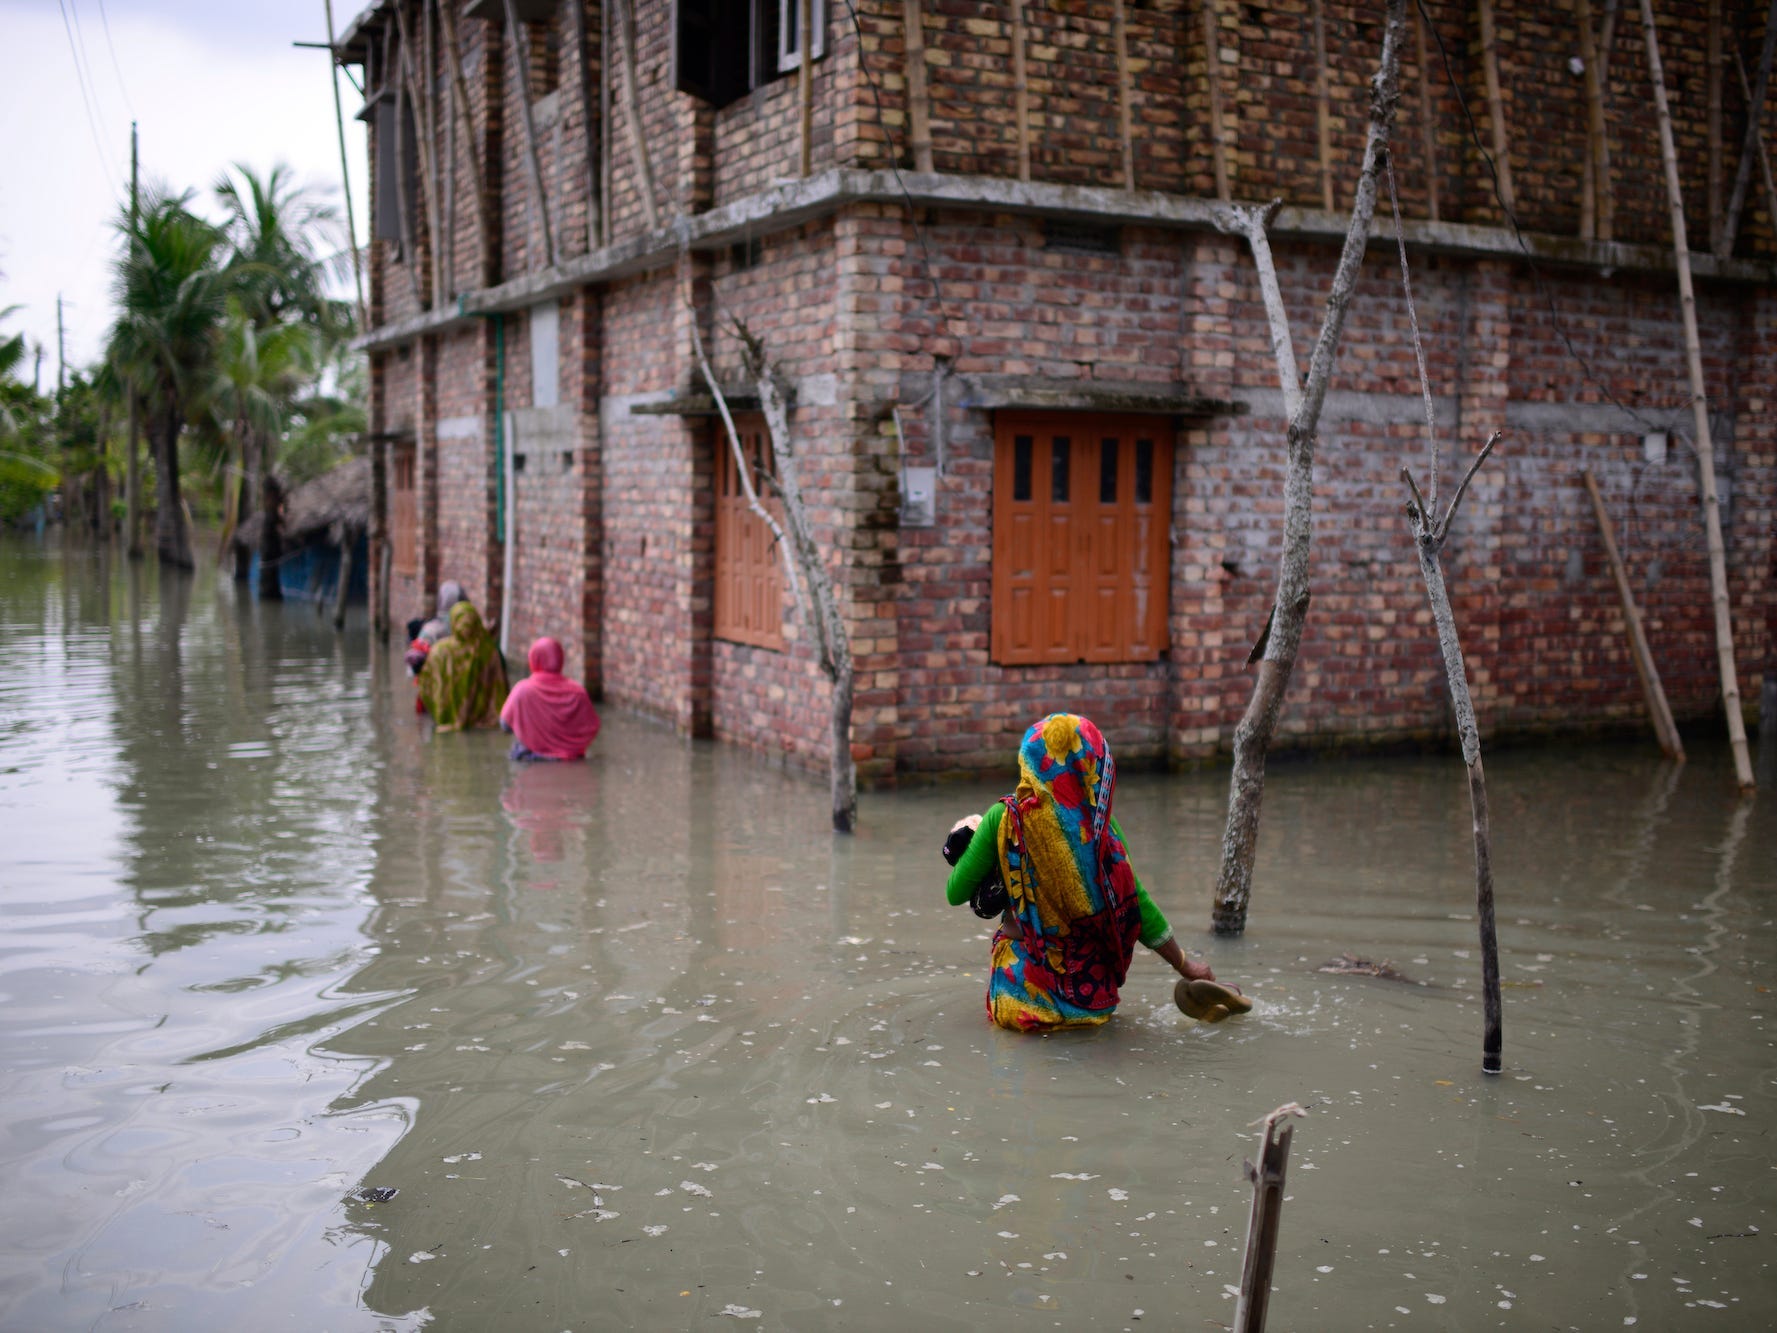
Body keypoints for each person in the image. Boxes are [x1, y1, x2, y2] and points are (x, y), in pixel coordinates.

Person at [943, 712, 1247, 1032]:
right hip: (1087, 1000)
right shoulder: (1102, 827)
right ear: (1091, 764)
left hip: (1021, 996)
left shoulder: (1003, 820)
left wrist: (988, 852)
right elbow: (1135, 903)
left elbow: (955, 892)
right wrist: (1186, 965)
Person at [500, 636, 600, 761]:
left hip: (530, 759)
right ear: (560, 660)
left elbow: (505, 725)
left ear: (533, 659)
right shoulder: (578, 693)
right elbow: (592, 727)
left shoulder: (522, 690)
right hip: (572, 761)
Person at [416, 602, 509, 731]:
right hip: (484, 727)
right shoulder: (489, 651)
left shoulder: (439, 651)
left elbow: (425, 686)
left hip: (444, 724)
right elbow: (501, 689)